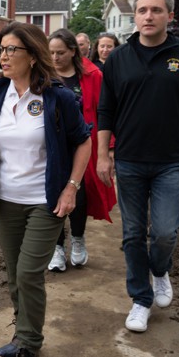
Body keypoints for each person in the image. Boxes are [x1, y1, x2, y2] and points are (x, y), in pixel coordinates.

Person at [0, 22, 92, 357]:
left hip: (45, 200)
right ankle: (22, 330)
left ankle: (29, 342)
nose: (3, 55)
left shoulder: (58, 97)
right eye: (1, 49)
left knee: (29, 272)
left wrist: (71, 188)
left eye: (12, 49)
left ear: (32, 55)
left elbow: (82, 142)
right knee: (15, 274)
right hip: (5, 200)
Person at [96, 0, 179, 334]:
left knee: (163, 233)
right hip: (129, 159)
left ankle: (160, 270)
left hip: (171, 160)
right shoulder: (118, 58)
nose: (149, 16)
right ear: (135, 16)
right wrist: (103, 155)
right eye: (143, 10)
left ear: (169, 16)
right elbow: (106, 110)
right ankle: (141, 299)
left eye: (156, 10)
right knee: (133, 234)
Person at [46, 28, 117, 272]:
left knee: (79, 193)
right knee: (52, 192)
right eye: (51, 53)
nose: (55, 58)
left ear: (73, 51)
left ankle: (77, 238)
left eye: (60, 53)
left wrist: (108, 149)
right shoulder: (42, 74)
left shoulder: (92, 74)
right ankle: (56, 246)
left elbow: (105, 112)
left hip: (84, 144)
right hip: (51, 146)